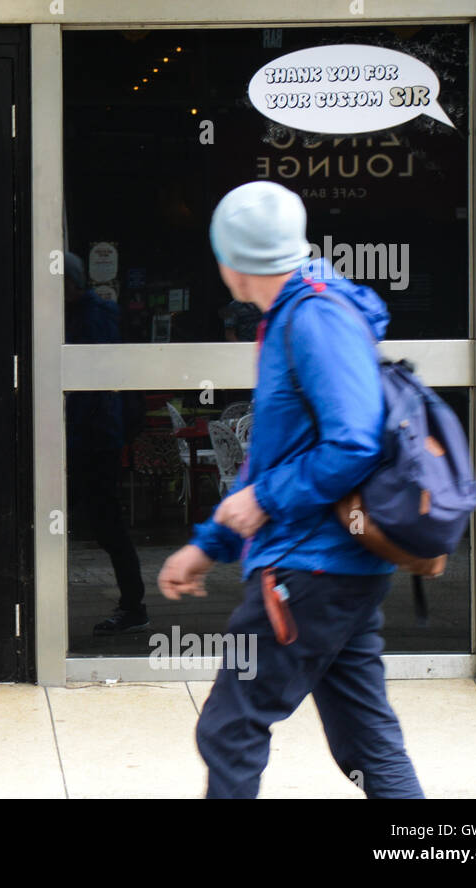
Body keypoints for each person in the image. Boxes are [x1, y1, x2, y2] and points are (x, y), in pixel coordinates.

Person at [158, 181, 423, 799]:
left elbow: (353, 442)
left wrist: (265, 501)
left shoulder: (314, 317)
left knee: (230, 728)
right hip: (330, 567)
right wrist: (209, 544)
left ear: (232, 258)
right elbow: (275, 457)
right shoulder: (294, 315)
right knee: (366, 742)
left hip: (309, 569)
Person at [63, 252, 149, 634]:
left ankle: (133, 606)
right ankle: (132, 605)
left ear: (74, 283)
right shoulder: (87, 313)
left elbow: (93, 384)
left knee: (106, 524)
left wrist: (68, 434)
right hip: (93, 435)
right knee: (102, 524)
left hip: (93, 438)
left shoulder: (93, 317)